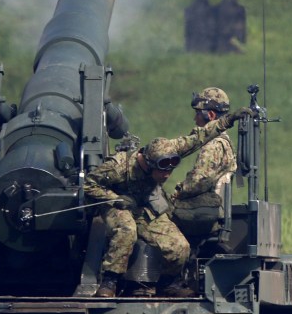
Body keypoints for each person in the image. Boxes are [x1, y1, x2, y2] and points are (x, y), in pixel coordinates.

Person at [83, 106, 247, 297]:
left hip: (144, 206)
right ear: (149, 164)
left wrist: (227, 120)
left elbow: (199, 138)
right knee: (127, 230)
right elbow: (88, 184)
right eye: (162, 170)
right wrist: (115, 199)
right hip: (116, 205)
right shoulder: (119, 167)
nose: (167, 175)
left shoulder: (170, 150)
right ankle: (110, 281)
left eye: (170, 170)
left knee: (179, 246)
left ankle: (166, 283)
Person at [169, 87, 238, 240]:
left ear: (211, 115)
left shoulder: (213, 145)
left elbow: (197, 183)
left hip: (201, 209)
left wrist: (177, 193)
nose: (195, 119)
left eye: (198, 113)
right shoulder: (225, 143)